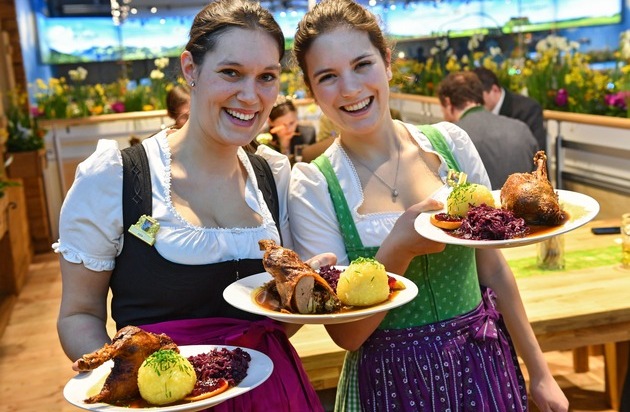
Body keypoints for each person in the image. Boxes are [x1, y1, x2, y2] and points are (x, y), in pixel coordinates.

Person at [289, 1, 569, 411]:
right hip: (390, 383)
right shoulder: (314, 185)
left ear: (387, 63)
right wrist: (397, 249)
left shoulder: (451, 144)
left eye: (362, 64)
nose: (349, 88)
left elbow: (492, 269)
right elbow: (348, 336)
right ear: (311, 89)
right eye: (327, 76)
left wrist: (541, 372)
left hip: (481, 363)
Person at [54, 1, 324, 410]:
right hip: (160, 399)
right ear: (190, 69)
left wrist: (308, 291)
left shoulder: (274, 176)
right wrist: (132, 386)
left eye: (266, 77)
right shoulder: (115, 178)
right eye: (230, 72)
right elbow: (78, 315)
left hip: (273, 391)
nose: (250, 95)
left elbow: (279, 322)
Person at [437, 71, 539, 189]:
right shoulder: (521, 129)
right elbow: (541, 181)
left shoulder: (449, 138)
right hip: (523, 200)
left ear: (447, 102)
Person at [473, 66, 547, 152]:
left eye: (478, 97)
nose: (475, 102)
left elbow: (538, 151)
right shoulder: (476, 114)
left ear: (495, 90)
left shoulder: (528, 109)